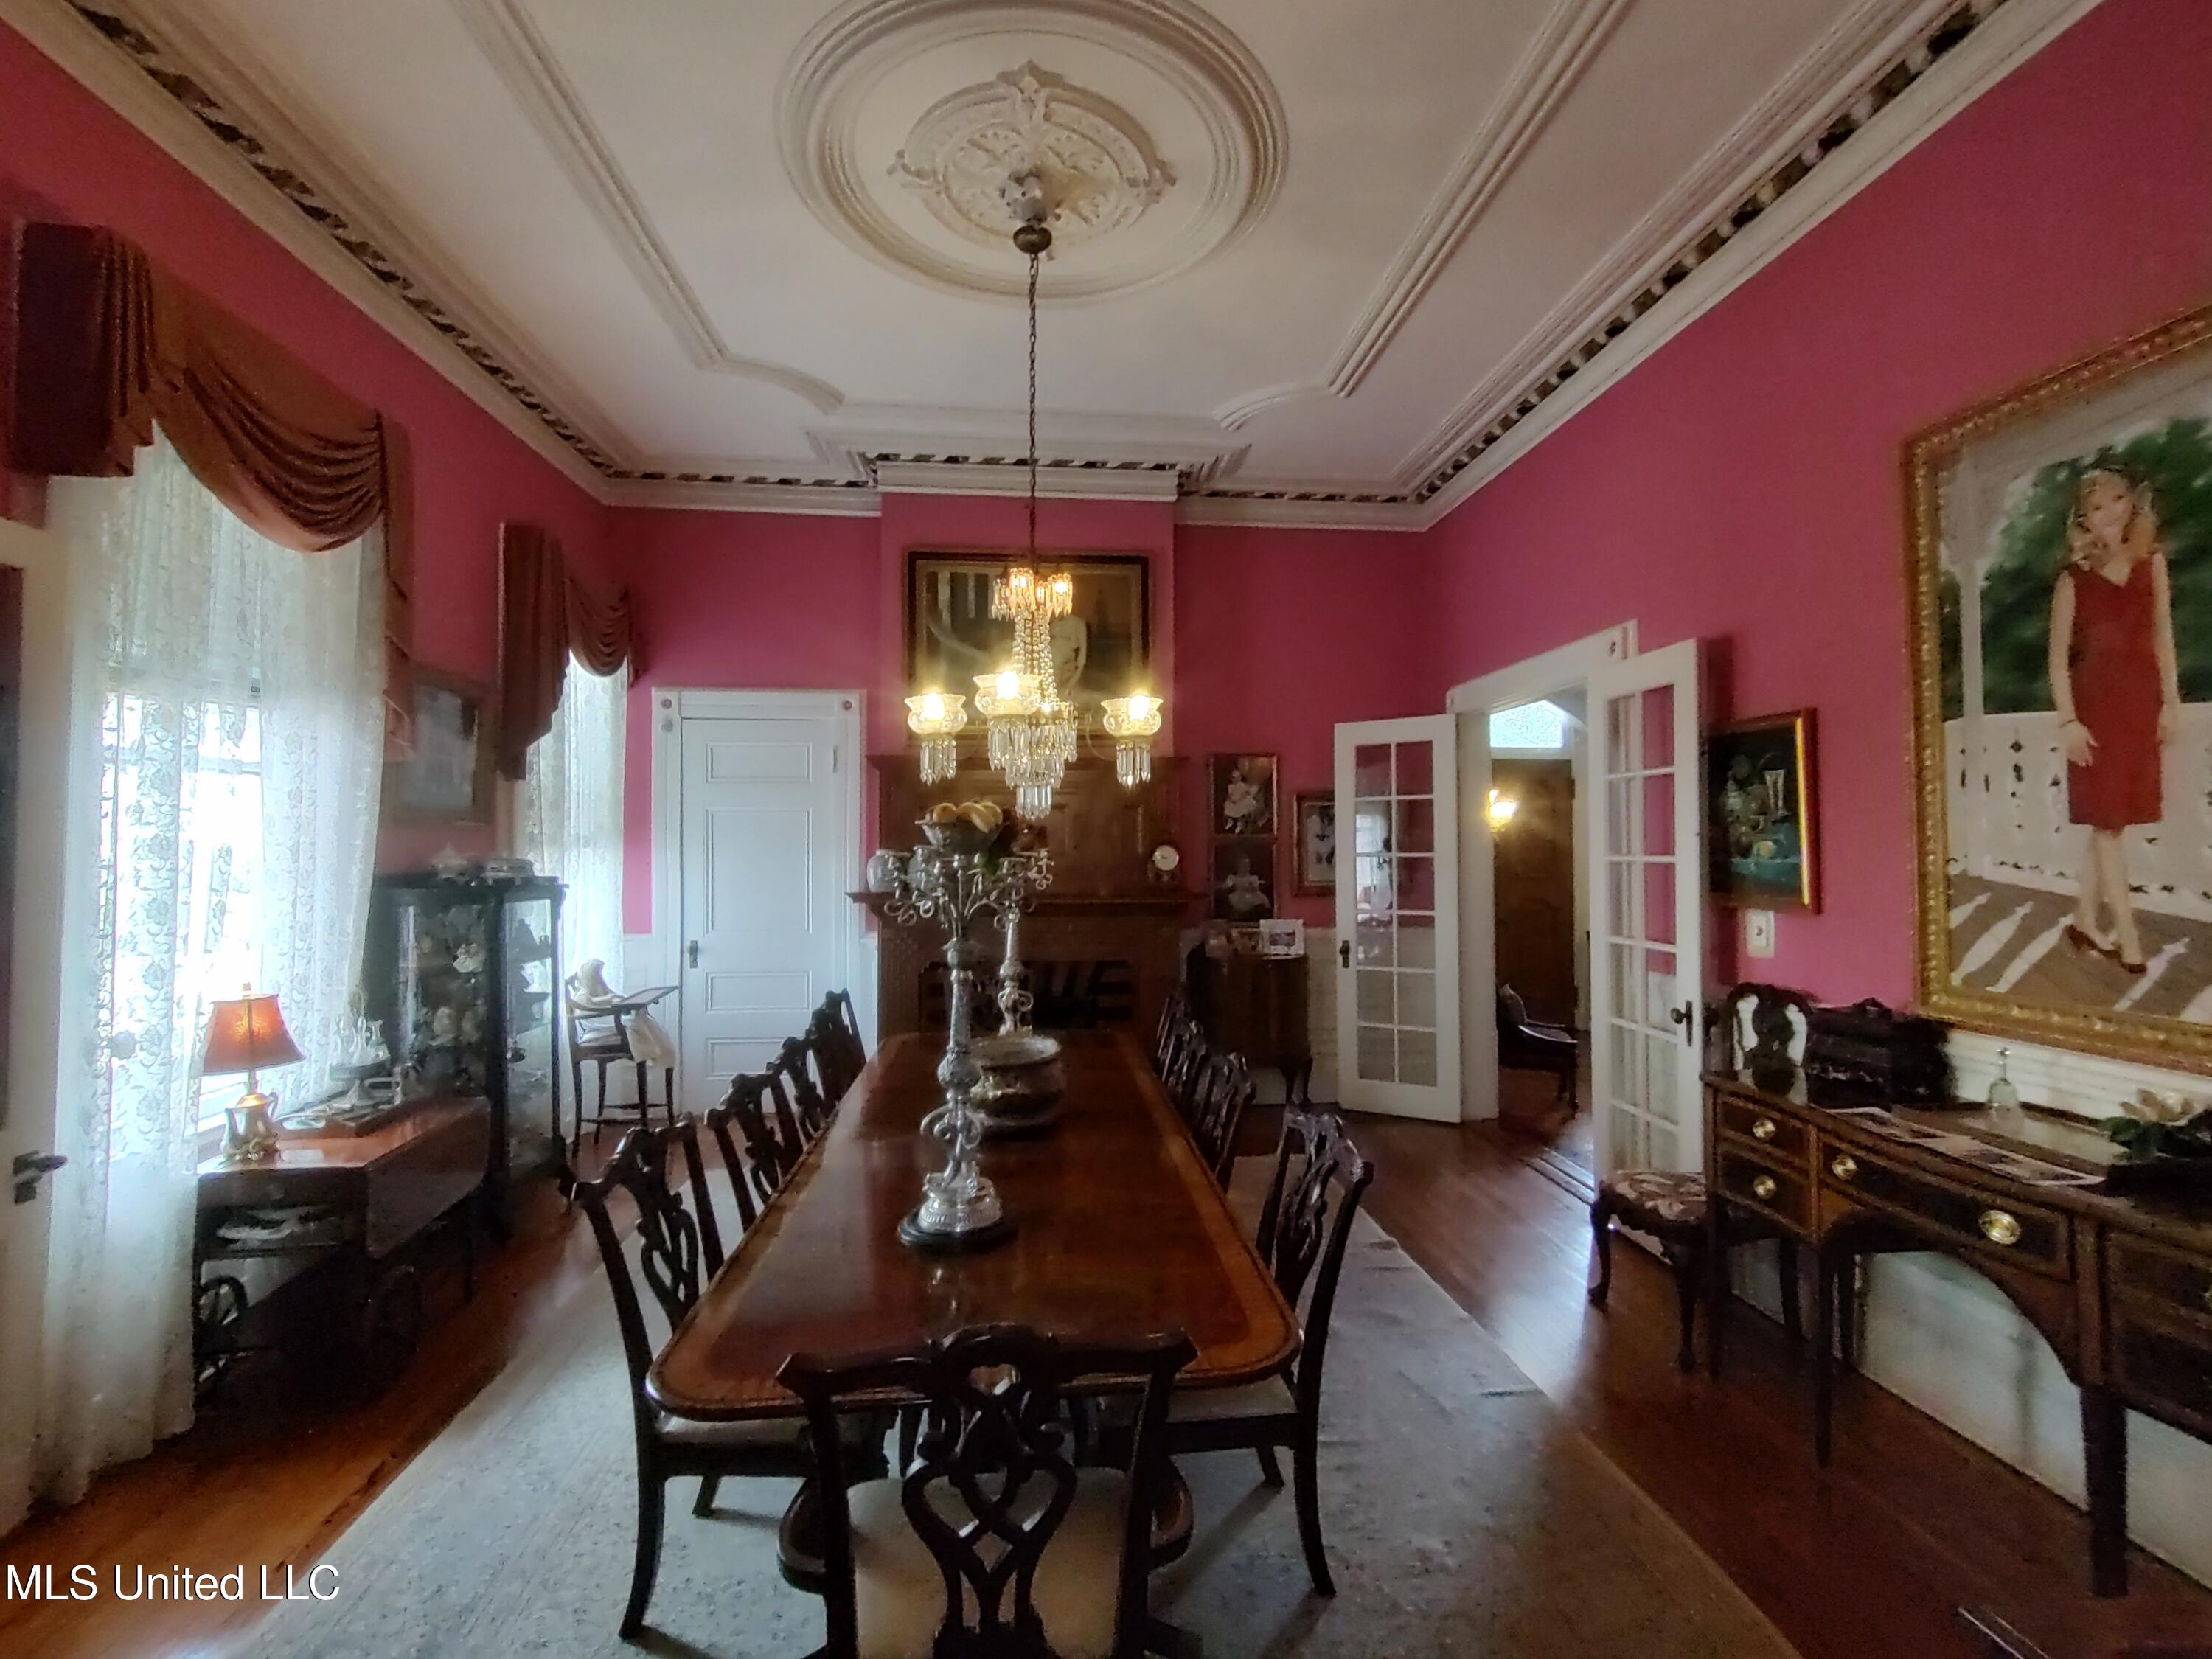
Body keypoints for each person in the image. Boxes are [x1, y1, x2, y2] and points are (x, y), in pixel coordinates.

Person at [2048, 467, 2180, 975]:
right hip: (2094, 716)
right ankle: (2128, 939)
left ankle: (2084, 919)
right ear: (2084, 518)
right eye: (2099, 506)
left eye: (2119, 500)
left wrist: (2170, 703)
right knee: (2106, 825)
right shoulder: (2072, 581)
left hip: (2139, 708)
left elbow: (2163, 637)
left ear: (2132, 504)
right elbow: (2059, 659)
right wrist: (2068, 722)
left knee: (2112, 821)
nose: (2112, 512)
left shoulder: (2152, 565)